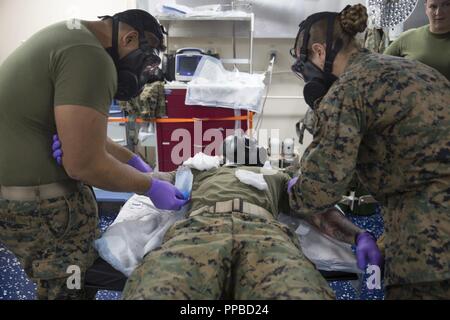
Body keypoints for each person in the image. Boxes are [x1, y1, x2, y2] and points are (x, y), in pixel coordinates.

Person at [0, 9, 188, 300]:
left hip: (25, 201)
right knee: (67, 290)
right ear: (129, 37)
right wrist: (149, 186)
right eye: (146, 54)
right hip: (41, 208)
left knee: (63, 283)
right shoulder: (92, 59)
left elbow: (83, 133)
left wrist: (133, 162)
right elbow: (83, 164)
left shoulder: (69, 36)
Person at [289, 3, 450, 299]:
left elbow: (320, 188)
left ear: (320, 52)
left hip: (430, 251)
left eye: (306, 64)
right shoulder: (415, 70)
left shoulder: (348, 90)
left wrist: (294, 189)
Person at [117, 146, 382, 300]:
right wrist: (141, 172)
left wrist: (359, 236)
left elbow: (317, 211)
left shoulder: (276, 175)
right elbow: (154, 179)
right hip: (198, 229)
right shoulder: (201, 169)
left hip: (265, 234)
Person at [384, 0, 450, 81]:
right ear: (426, 8)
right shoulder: (407, 37)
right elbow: (380, 66)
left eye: (446, 5)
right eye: (433, 6)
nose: (438, 12)